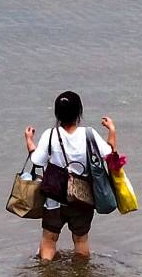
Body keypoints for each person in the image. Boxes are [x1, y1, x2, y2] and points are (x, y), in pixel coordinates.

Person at [24, 90, 117, 262]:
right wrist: (111, 130)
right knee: (81, 239)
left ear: (57, 114)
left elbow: (37, 160)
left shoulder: (50, 135)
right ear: (79, 112)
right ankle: (81, 276)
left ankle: (46, 274)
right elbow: (111, 156)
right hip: (82, 198)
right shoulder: (89, 134)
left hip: (54, 199)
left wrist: (29, 140)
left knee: (49, 239)